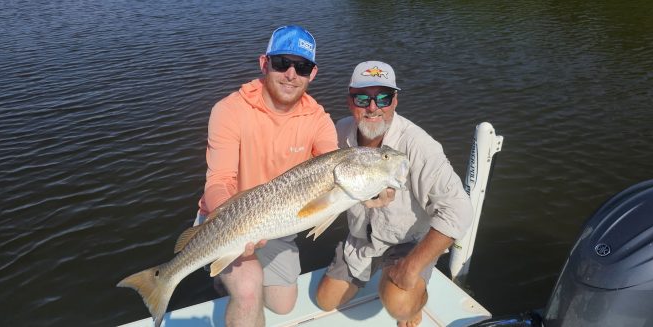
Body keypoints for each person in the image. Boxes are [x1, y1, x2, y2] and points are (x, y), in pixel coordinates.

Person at [196, 25, 338, 327]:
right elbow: (219, 180)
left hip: (276, 223)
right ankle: (230, 279)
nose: (291, 74)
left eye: (302, 67)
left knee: (283, 306)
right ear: (264, 63)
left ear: (312, 74)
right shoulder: (229, 110)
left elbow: (333, 165)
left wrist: (373, 192)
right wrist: (232, 225)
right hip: (224, 218)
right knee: (248, 291)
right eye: (281, 63)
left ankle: (231, 276)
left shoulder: (319, 121)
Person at [315, 61, 474, 327]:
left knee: (399, 305)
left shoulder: (418, 145)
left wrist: (411, 267)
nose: (373, 107)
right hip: (360, 241)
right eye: (363, 98)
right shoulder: (336, 133)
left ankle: (415, 301)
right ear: (350, 101)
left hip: (407, 244)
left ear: (395, 101)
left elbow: (459, 209)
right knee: (325, 301)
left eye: (383, 98)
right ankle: (372, 269)